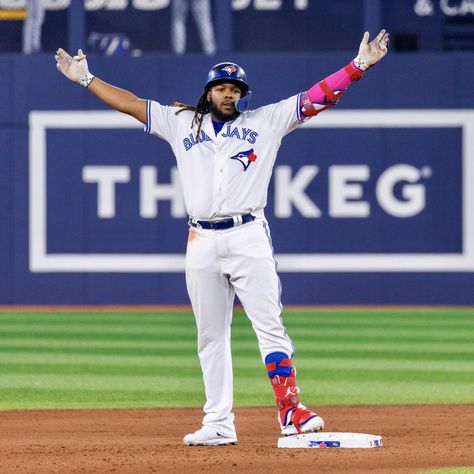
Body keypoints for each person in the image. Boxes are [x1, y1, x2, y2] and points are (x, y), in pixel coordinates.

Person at [54, 29, 389, 446]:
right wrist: (87, 79)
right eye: (221, 88)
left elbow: (317, 97)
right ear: (208, 92)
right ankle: (217, 423)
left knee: (269, 326)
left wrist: (359, 66)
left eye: (235, 88)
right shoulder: (179, 123)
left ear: (243, 94)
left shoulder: (265, 122)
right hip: (201, 242)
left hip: (248, 234)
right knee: (210, 335)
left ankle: (291, 411)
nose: (228, 94)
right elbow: (131, 105)